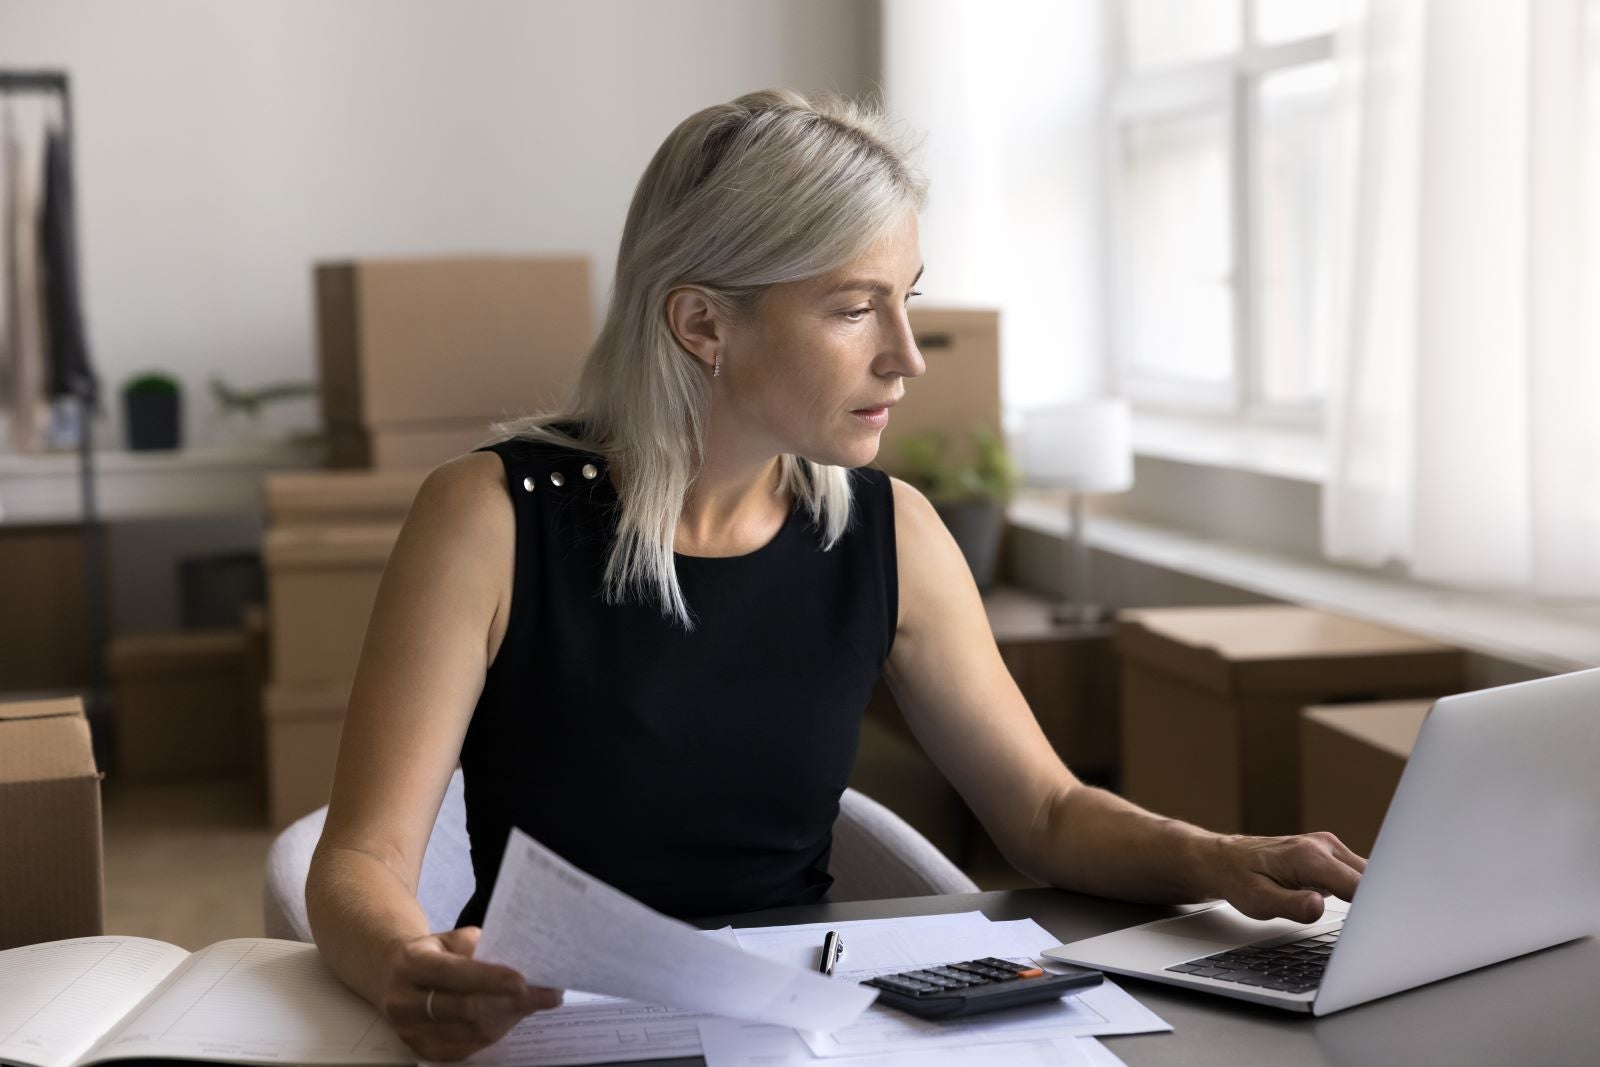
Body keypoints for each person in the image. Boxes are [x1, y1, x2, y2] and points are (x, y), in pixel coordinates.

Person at [305, 88, 1366, 1061]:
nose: (906, 355)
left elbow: (1042, 811)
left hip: (802, 1035)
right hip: (561, 1029)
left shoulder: (889, 528)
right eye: (855, 308)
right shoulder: (489, 517)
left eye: (905, 299)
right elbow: (360, 860)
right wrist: (414, 963)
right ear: (703, 323)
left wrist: (1218, 855)